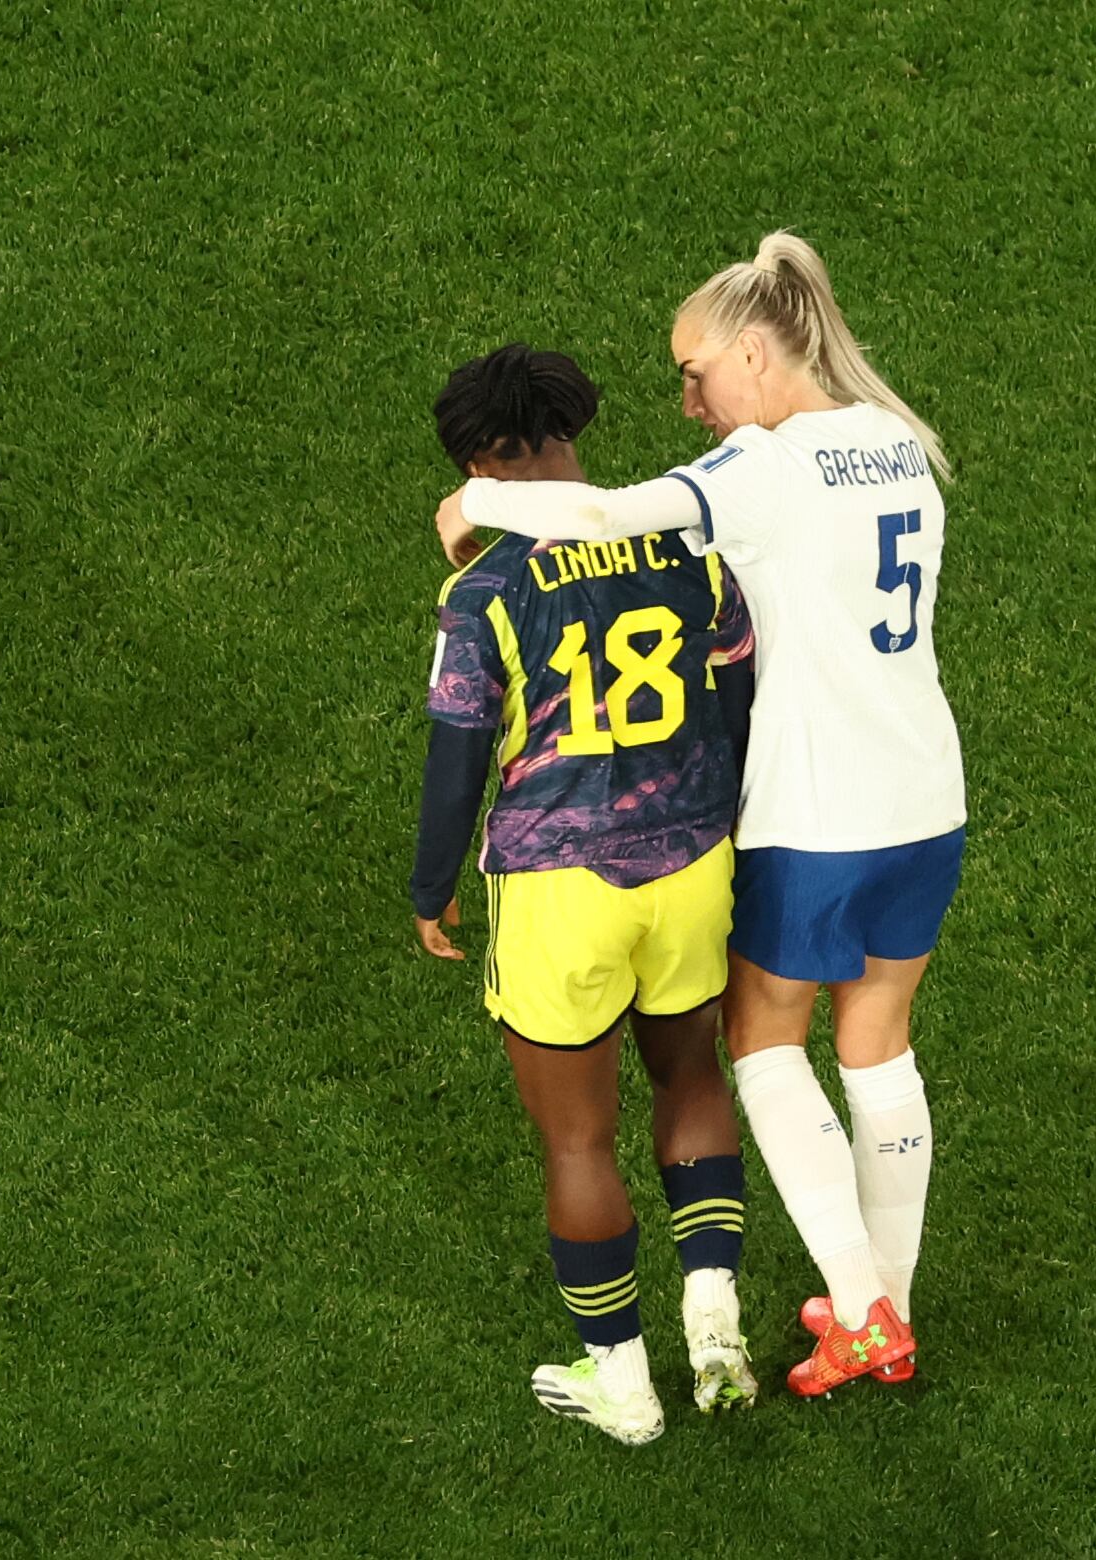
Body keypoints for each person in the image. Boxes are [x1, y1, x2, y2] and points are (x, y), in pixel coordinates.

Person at [432, 234, 963, 1398]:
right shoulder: (901, 443)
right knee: (880, 1046)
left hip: (820, 809)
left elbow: (608, 514)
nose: (689, 400)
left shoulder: (763, 468)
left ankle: (865, 1311)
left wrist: (471, 501)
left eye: (696, 373)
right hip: (928, 795)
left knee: (765, 1047)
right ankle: (890, 1309)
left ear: (758, 352)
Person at [412, 343, 762, 1445]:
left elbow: (458, 751)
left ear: (478, 467)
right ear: (571, 431)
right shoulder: (689, 545)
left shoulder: (485, 588)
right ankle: (716, 1325)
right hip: (696, 864)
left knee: (578, 1142)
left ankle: (624, 1385)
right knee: (692, 1071)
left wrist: (431, 888)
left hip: (561, 885)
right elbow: (742, 696)